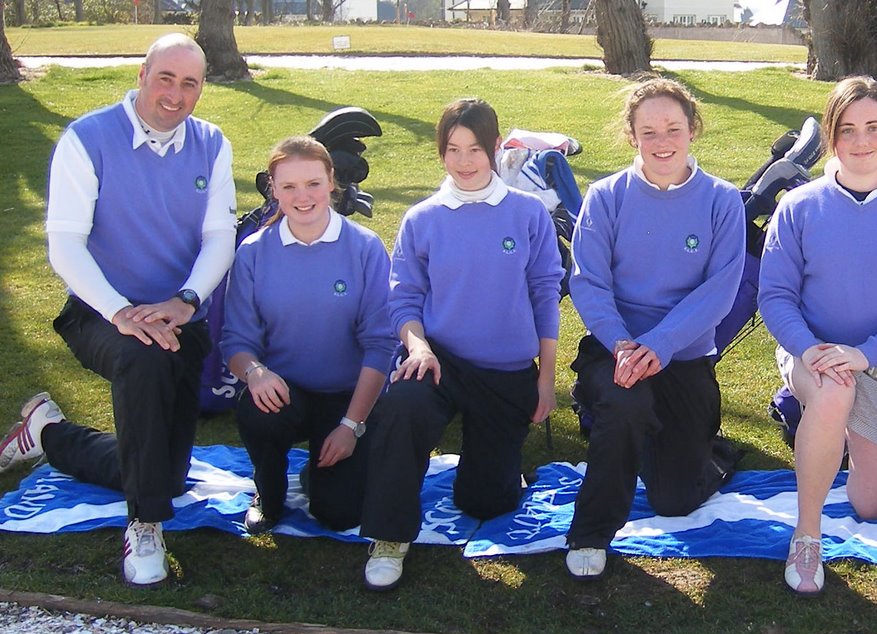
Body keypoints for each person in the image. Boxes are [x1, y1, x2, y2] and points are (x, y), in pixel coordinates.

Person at [0, 34, 236, 588]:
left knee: (167, 475)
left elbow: (219, 237)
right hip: (98, 312)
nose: (175, 95)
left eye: (190, 83)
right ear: (141, 76)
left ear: (202, 88)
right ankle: (144, 524)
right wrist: (120, 312)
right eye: (165, 78)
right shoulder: (87, 138)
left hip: (181, 317)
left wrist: (185, 301)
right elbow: (65, 245)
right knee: (143, 359)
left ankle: (48, 434)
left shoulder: (212, 143)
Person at [358, 98, 564, 591]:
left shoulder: (529, 214)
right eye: (453, 149)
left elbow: (545, 292)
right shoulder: (422, 218)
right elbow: (403, 298)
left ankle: (493, 474)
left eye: (475, 149)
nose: (464, 161)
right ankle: (389, 536)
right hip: (439, 362)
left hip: (506, 370)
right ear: (441, 152)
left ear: (495, 149)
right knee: (402, 407)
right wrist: (418, 347)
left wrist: (546, 379)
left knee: (486, 502)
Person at [757, 76, 877, 595]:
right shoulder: (798, 207)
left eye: (873, 127)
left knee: (872, 507)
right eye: (847, 129)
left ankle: (832, 433)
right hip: (814, 357)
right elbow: (776, 296)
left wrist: (865, 355)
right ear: (831, 136)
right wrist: (810, 349)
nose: (861, 141)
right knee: (833, 391)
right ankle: (807, 534)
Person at [564, 79, 747, 580]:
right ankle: (590, 533)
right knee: (626, 403)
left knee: (674, 500)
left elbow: (719, 291)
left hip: (683, 356)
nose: (662, 141)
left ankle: (709, 451)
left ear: (692, 129)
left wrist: (661, 344)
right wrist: (623, 344)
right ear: (632, 136)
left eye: (673, 129)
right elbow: (589, 282)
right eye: (648, 131)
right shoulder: (606, 197)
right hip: (616, 351)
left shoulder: (722, 200)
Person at [221, 136, 393, 535]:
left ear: (331, 181)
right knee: (257, 409)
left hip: (347, 396)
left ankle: (320, 472)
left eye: (313, 183)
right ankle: (268, 492)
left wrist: (351, 425)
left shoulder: (365, 247)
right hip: (285, 393)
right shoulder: (253, 252)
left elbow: (381, 344)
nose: (303, 197)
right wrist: (255, 373)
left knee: (341, 514)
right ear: (273, 189)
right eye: (289, 186)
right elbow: (236, 342)